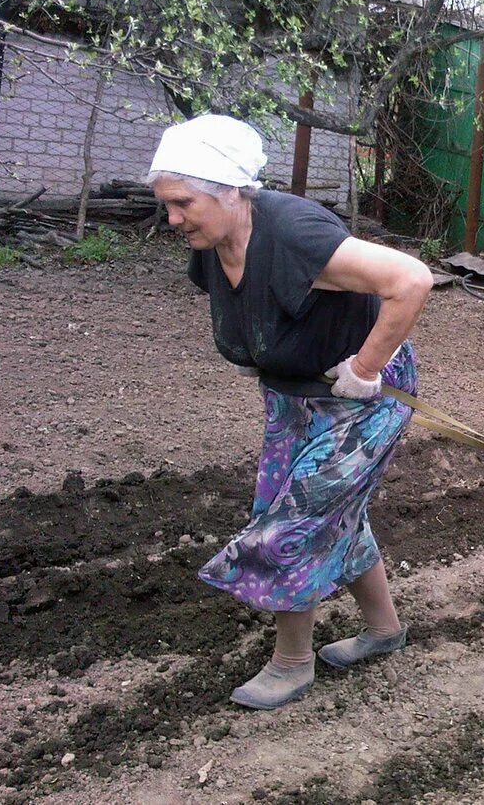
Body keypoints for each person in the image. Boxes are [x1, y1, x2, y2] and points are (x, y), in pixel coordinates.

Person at [147, 114, 433, 710]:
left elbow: (411, 279)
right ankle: (384, 631)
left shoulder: (296, 232)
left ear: (230, 189)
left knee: (291, 524)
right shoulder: (212, 243)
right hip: (293, 398)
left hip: (364, 399)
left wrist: (366, 366)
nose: (171, 218)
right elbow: (257, 314)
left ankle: (293, 663)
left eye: (182, 203)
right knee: (327, 514)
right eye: (166, 204)